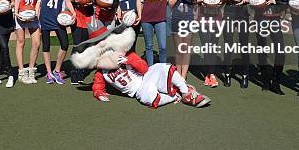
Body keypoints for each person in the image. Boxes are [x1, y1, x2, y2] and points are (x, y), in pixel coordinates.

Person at [71, 20, 210, 108]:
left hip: (147, 76)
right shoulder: (101, 71)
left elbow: (144, 67)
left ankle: (186, 92)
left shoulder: (125, 54)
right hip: (138, 90)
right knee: (148, 98)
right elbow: (98, 85)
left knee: (164, 67)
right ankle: (174, 95)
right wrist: (98, 93)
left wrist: (128, 60)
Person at [253, 0, 289, 95]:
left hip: (274, 20)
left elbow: (287, 2)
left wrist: (275, 2)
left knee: (280, 52)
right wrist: (254, 2)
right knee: (262, 52)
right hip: (261, 20)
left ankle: (276, 82)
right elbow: (253, 3)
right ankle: (265, 82)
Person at [37, 0, 75, 85]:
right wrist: (37, 14)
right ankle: (49, 73)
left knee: (65, 43)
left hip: (58, 19)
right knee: (46, 45)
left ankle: (57, 70)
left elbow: (68, 0)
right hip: (45, 17)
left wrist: (73, 12)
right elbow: (39, 0)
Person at [222, 0, 252, 89]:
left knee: (244, 46)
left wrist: (245, 0)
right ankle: (227, 74)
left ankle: (245, 76)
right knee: (228, 45)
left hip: (243, 16)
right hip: (229, 15)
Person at [67, 0, 98, 84]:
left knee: (84, 46)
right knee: (77, 44)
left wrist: (90, 0)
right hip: (76, 15)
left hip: (88, 16)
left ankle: (81, 70)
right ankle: (75, 73)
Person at [14, 0, 43, 84]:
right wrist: (16, 12)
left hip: (33, 16)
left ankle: (31, 71)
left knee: (36, 43)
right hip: (21, 14)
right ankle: (21, 72)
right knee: (21, 42)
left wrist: (37, 10)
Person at [196, 0, 224, 88]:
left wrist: (220, 3)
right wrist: (202, 1)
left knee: (213, 47)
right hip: (203, 19)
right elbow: (195, 0)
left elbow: (223, 0)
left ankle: (210, 73)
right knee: (206, 46)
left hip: (216, 20)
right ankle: (210, 74)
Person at [170, 0, 196, 79]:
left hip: (189, 20)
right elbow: (170, 4)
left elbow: (195, 5)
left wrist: (195, 18)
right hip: (176, 19)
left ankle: (183, 75)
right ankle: (178, 73)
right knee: (179, 49)